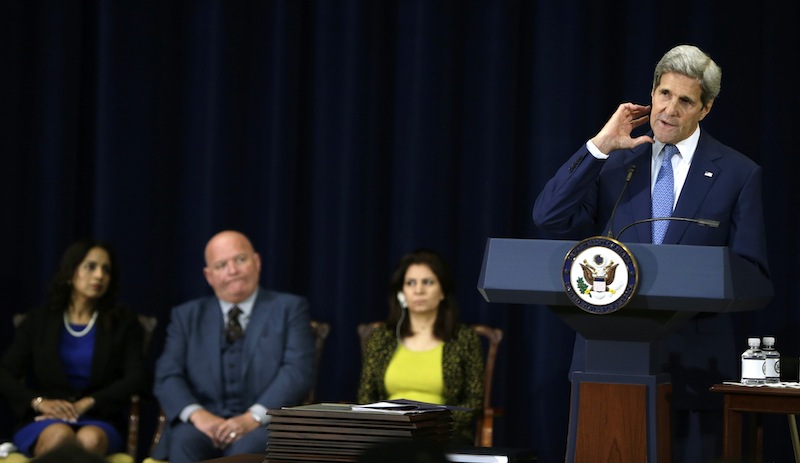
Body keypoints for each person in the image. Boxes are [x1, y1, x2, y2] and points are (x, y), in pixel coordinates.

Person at [533, 44, 769, 462]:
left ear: (706, 108)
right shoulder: (612, 163)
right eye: (663, 94)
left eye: (685, 100)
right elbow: (549, 217)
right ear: (652, 93)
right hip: (608, 360)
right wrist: (600, 144)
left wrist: (694, 279)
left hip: (696, 367)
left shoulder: (737, 173)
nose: (670, 109)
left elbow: (753, 273)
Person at [152, 230, 316, 463]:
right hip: (203, 423)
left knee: (248, 449)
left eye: (240, 259)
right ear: (209, 276)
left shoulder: (289, 308)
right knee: (184, 441)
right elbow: (167, 375)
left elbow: (297, 371)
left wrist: (252, 418)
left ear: (256, 262)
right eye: (221, 265)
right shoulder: (186, 316)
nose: (233, 271)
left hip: (264, 425)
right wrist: (199, 416)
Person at [0, 240, 147, 458]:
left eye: (105, 270)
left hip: (99, 418)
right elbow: (5, 374)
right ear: (70, 273)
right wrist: (40, 403)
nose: (99, 275)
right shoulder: (38, 321)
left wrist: (87, 403)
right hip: (45, 418)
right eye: (90, 267)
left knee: (90, 440)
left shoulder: (123, 323)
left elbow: (137, 377)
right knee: (59, 436)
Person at [357, 249, 484, 447]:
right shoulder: (382, 337)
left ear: (442, 291)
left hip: (443, 435)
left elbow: (473, 400)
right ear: (401, 293)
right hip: (389, 433)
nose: (418, 290)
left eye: (428, 282)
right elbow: (366, 396)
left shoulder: (463, 338)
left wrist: (432, 426)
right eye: (410, 283)